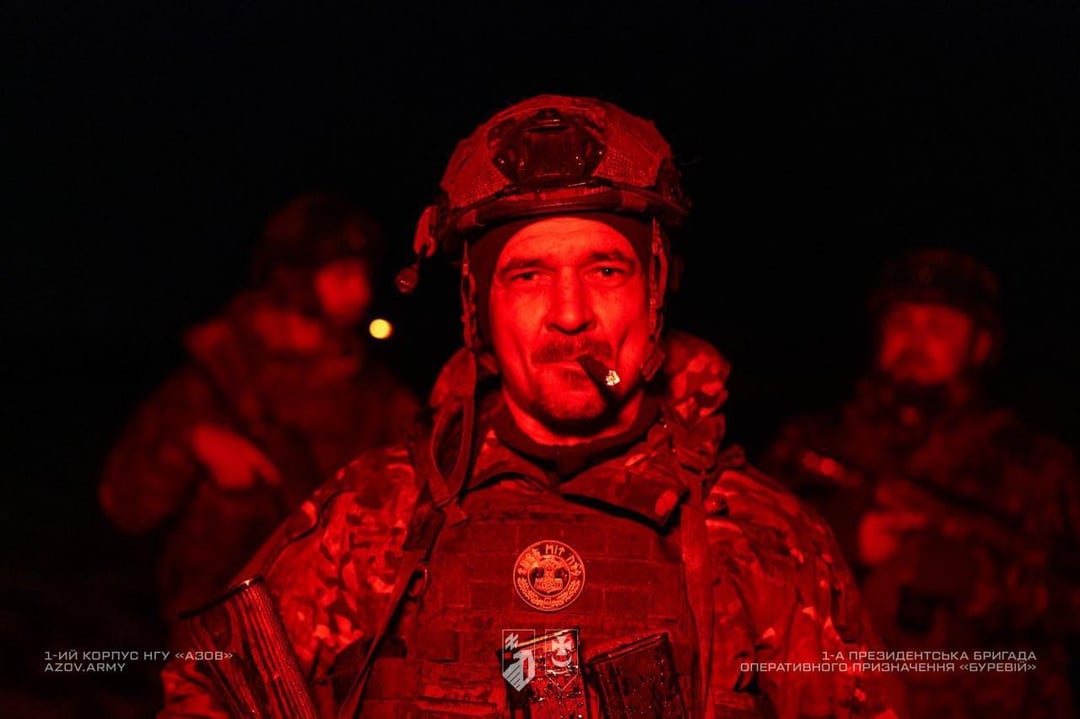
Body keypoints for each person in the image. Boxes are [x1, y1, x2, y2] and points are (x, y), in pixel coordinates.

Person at [159, 95, 906, 718]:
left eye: (605, 270)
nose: (570, 315)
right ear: (477, 307)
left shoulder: (761, 540)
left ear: (654, 292)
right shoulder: (375, 521)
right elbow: (211, 688)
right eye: (528, 276)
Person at [760, 247, 1080, 718]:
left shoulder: (1038, 468)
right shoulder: (811, 444)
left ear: (980, 345)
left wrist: (976, 580)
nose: (915, 341)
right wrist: (845, 539)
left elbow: (1068, 601)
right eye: (902, 323)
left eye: (938, 328)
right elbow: (745, 559)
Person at [99, 191, 421, 638]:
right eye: (343, 275)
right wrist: (191, 444)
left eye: (364, 275)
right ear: (294, 278)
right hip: (216, 643)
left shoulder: (376, 394)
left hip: (335, 643)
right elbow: (124, 504)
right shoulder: (219, 376)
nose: (362, 292)